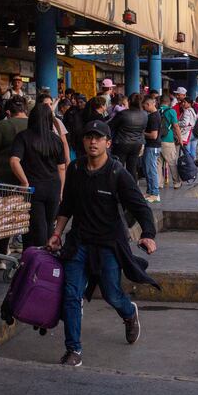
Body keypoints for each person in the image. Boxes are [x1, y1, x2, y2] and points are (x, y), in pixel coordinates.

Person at [48, 120, 158, 367]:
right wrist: (57, 233)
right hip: (79, 243)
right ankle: (73, 350)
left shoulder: (118, 173)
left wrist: (148, 234)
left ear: (108, 143)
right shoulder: (75, 169)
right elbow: (67, 205)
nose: (93, 142)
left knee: (112, 295)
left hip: (109, 244)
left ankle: (129, 314)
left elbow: (140, 208)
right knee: (70, 294)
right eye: (89, 137)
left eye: (98, 138)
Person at [9, 103, 67, 249]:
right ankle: (49, 258)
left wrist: (24, 182)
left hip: (34, 188)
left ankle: (39, 259)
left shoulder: (23, 137)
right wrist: (61, 191)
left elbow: (14, 160)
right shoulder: (56, 139)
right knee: (49, 224)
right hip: (53, 186)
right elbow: (61, 167)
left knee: (37, 225)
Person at [0, 96, 28, 264]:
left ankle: (1, 258)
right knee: (26, 216)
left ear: (8, 112)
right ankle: (28, 257)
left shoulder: (4, 125)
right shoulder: (33, 124)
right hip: (29, 179)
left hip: (7, 178)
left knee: (5, 217)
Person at [109, 92, 148, 177]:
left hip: (121, 143)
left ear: (129, 102)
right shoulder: (145, 114)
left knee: (118, 167)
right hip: (137, 144)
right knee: (132, 168)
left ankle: (118, 187)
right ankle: (132, 187)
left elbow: (111, 125)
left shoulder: (123, 113)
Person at [157, 95, 182, 190]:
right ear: (169, 102)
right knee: (172, 161)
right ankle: (176, 182)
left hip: (157, 140)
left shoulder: (156, 111)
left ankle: (159, 183)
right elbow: (176, 126)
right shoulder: (171, 111)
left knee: (158, 162)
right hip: (168, 139)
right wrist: (180, 138)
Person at [37, 93, 71, 163]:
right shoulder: (35, 121)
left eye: (51, 104)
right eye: (46, 104)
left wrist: (67, 160)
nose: (50, 107)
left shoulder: (57, 122)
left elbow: (64, 143)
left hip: (57, 160)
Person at [142, 96, 161, 203]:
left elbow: (153, 135)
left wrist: (142, 133)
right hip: (151, 146)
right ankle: (150, 191)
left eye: (144, 105)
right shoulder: (154, 115)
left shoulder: (153, 117)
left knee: (151, 169)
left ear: (148, 104)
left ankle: (155, 193)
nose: (143, 107)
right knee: (147, 169)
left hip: (152, 146)